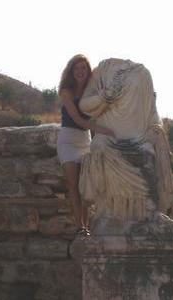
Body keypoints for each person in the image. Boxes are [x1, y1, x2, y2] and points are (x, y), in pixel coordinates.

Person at [57, 54, 115, 236]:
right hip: (67, 141)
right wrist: (104, 130)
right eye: (77, 68)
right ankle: (80, 226)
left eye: (83, 68)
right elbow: (78, 120)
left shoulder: (92, 91)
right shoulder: (66, 91)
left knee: (85, 187)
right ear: (71, 71)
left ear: (88, 71)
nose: (80, 72)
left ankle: (87, 226)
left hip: (85, 141)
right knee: (73, 185)